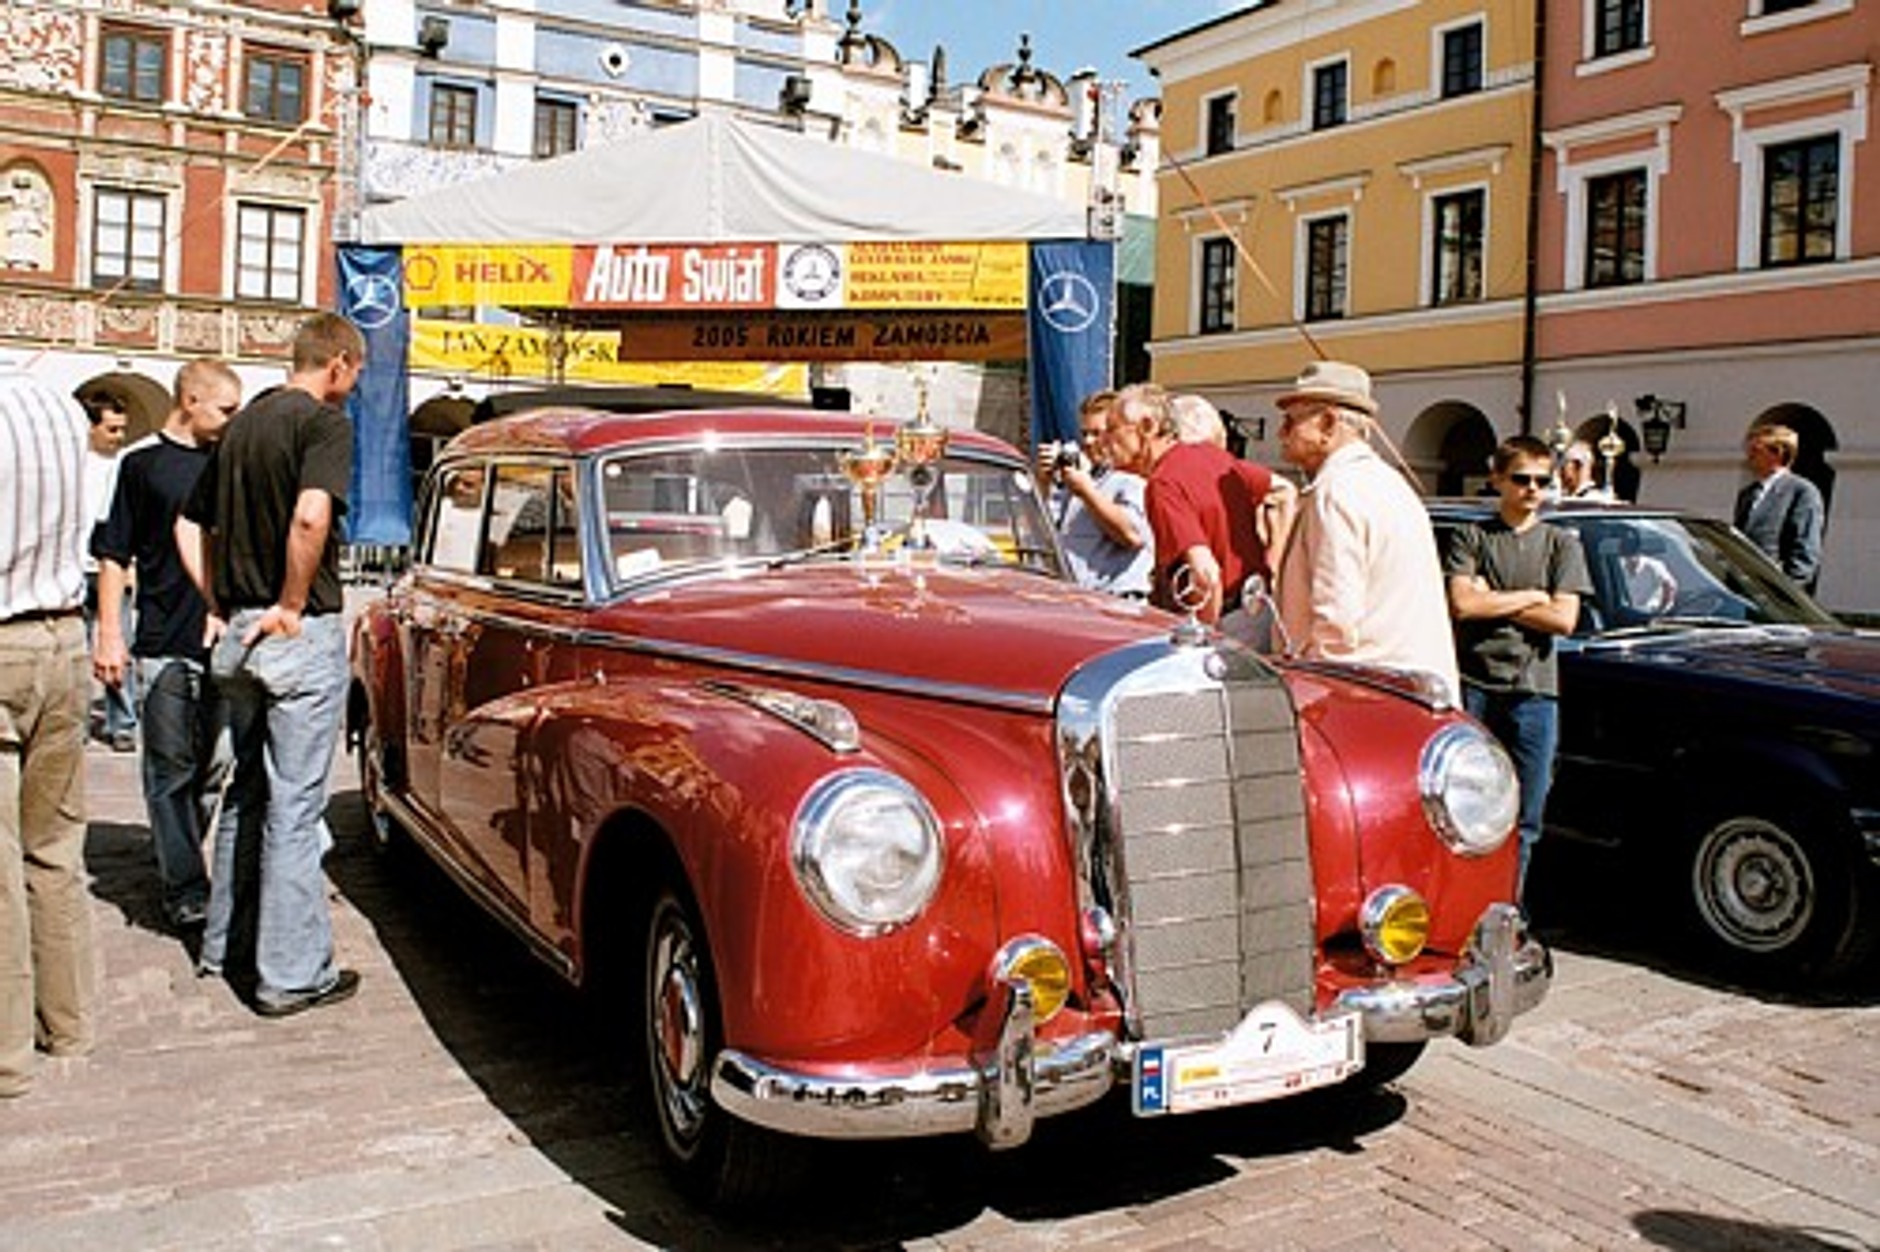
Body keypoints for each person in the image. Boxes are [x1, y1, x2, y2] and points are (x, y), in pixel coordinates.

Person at [177, 313, 363, 1017]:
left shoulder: (244, 424)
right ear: (339, 363)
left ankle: (225, 945)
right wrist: (289, 602)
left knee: (246, 794)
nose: (353, 386)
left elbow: (191, 523)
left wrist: (222, 601)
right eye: (355, 373)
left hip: (241, 633)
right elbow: (312, 516)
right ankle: (291, 973)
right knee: (294, 806)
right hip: (294, 629)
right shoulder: (322, 426)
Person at [91, 360, 241, 932]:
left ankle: (177, 855)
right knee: (169, 769)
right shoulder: (141, 466)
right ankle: (184, 885)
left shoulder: (227, 461)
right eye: (225, 409)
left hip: (223, 640)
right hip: (162, 641)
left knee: (215, 767)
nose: (231, 420)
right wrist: (111, 634)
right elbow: (113, 554)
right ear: (191, 399)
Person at [0, 370, 96, 1098]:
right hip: (62, 636)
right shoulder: (57, 404)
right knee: (56, 849)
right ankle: (68, 1025)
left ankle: (7, 1057)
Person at [1444, 435, 1592, 899]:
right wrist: (1532, 596)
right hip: (1475, 686)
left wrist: (1497, 599)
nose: (1532, 489)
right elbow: (1463, 605)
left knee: (1526, 818)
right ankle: (1462, 911)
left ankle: (1510, 912)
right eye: (1521, 478)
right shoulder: (1472, 536)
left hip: (1535, 692)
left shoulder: (1561, 545)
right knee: (1464, 810)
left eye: (1542, 481)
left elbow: (1564, 619)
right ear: (1498, 480)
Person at [1271, 360, 1460, 701]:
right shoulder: (1389, 484)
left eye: (1291, 421)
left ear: (1328, 423)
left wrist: (1316, 699)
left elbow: (1334, 624)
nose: (1281, 433)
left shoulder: (1338, 491)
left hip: (1363, 697)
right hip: (1412, 694)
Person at [1106, 382, 1291, 626]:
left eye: (1113, 429)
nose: (1105, 440)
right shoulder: (1210, 455)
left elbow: (1206, 574)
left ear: (1148, 427)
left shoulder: (1164, 484)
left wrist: (1204, 639)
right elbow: (1284, 490)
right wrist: (1274, 560)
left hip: (1223, 624)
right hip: (1257, 611)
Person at [1037, 389, 1154, 598]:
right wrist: (1044, 481)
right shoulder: (1080, 477)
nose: (1089, 442)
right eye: (1084, 434)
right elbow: (1044, 533)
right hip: (1075, 599)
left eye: (1097, 433)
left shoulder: (1131, 479)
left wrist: (1086, 491)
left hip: (1116, 602)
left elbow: (1132, 535)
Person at [82, 394, 138, 751]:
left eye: (122, 429)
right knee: (76, 650)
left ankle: (123, 723)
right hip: (75, 570)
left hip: (113, 571)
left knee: (119, 647)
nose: (118, 436)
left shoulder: (125, 466)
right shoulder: (73, 465)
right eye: (111, 428)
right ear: (91, 427)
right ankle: (76, 722)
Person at [1733, 424, 1824, 592]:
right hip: (1743, 590)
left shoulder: (1801, 491)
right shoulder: (1747, 494)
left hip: (1774, 593)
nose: (1749, 457)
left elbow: (1805, 549)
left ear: (1777, 453)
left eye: (1756, 451)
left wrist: (1786, 591)